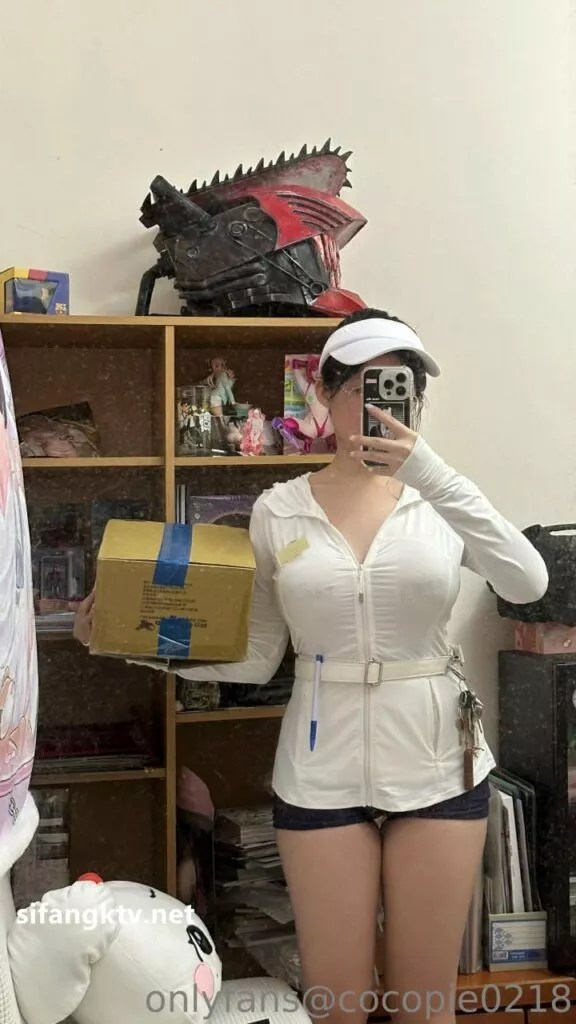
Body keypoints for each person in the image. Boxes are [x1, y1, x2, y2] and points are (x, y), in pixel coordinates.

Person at [73, 309, 548, 1024]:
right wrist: (130, 640)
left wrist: (428, 471)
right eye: (368, 386)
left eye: (406, 387)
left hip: (436, 762)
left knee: (425, 1006)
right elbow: (257, 655)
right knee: (338, 1006)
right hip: (321, 767)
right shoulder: (279, 511)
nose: (389, 404)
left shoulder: (441, 499)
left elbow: (528, 583)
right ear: (325, 395)